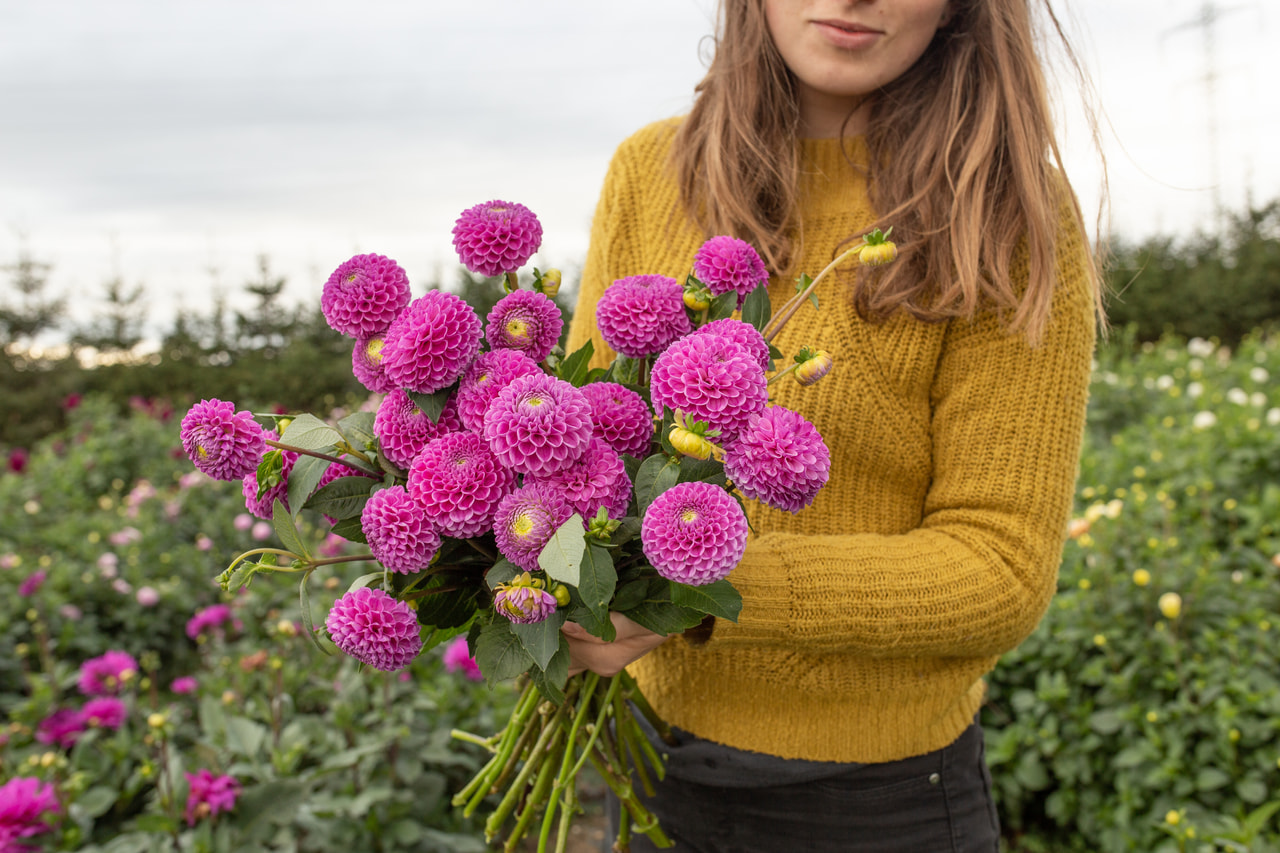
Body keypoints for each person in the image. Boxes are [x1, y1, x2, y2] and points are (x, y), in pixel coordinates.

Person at [562, 0, 1103, 849]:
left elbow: (998, 566)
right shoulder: (650, 172)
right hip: (653, 770)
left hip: (882, 803)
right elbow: (587, 442)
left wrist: (696, 591)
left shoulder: (1001, 209)